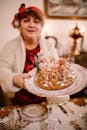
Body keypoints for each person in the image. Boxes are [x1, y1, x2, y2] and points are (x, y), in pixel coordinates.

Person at [0, 4, 59, 106]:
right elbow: (2, 69)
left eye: (36, 22)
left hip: (45, 100)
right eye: (26, 21)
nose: (31, 25)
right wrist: (13, 78)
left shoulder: (49, 45)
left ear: (41, 26)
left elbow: (56, 66)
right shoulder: (10, 46)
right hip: (17, 101)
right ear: (19, 25)